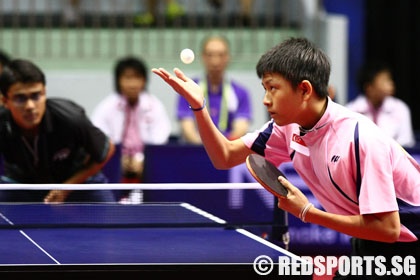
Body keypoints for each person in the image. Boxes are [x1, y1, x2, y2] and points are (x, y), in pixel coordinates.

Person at [152, 37, 420, 278]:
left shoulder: (360, 139)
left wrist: (307, 212)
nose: (265, 100)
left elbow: (387, 229)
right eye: (264, 88)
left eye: (273, 88)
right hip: (367, 240)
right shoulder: (286, 128)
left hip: (409, 248)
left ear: (304, 90)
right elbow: (224, 157)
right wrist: (199, 108)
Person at [0, 59, 116, 203]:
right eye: (20, 98)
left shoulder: (70, 118)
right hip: (23, 184)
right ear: (5, 101)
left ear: (44, 93)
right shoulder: (2, 124)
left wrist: (67, 187)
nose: (30, 106)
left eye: (36, 96)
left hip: (79, 182)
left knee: (111, 223)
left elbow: (106, 149)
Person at [91, 56, 171, 202]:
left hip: (147, 168)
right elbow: (98, 137)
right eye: (127, 78)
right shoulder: (107, 107)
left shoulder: (155, 106)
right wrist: (118, 160)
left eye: (137, 78)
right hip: (114, 167)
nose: (133, 84)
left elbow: (161, 137)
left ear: (144, 81)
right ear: (118, 81)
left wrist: (142, 160)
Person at [177, 34, 252, 144]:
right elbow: (187, 129)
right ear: (203, 57)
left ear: (228, 57)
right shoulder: (188, 89)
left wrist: (222, 150)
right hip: (197, 151)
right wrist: (209, 149)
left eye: (221, 55)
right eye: (210, 55)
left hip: (228, 152)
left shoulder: (241, 93)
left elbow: (240, 129)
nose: (215, 61)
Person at [346, 61, 416, 148]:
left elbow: (406, 143)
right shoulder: (350, 111)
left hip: (394, 159)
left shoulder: (400, 108)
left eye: (390, 79)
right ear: (369, 87)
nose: (391, 84)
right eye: (384, 80)